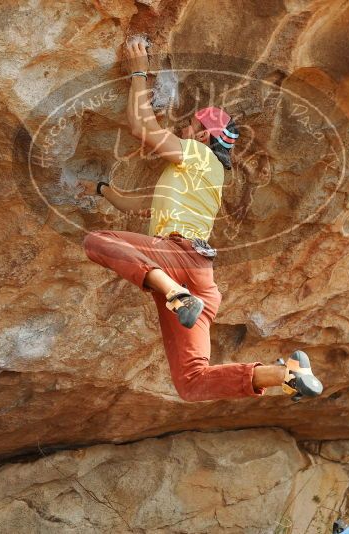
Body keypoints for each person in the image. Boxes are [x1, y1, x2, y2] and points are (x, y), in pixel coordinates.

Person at [78, 39, 323, 402]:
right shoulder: (195, 182)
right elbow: (132, 205)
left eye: (190, 127)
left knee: (96, 241)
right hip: (199, 278)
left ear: (205, 135)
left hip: (177, 263)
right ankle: (287, 374)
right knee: (191, 383)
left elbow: (141, 128)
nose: (183, 133)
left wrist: (138, 71)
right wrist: (99, 188)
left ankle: (174, 293)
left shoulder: (197, 155)